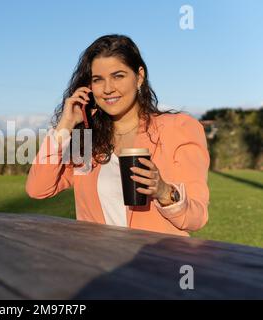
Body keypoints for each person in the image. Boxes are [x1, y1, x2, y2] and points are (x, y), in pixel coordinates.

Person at [25, 34, 210, 237]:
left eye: (118, 76)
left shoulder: (180, 128)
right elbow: (38, 189)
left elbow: (197, 218)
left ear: (139, 77)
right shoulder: (88, 140)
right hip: (100, 263)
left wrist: (163, 191)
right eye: (98, 80)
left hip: (157, 262)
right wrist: (65, 126)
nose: (107, 89)